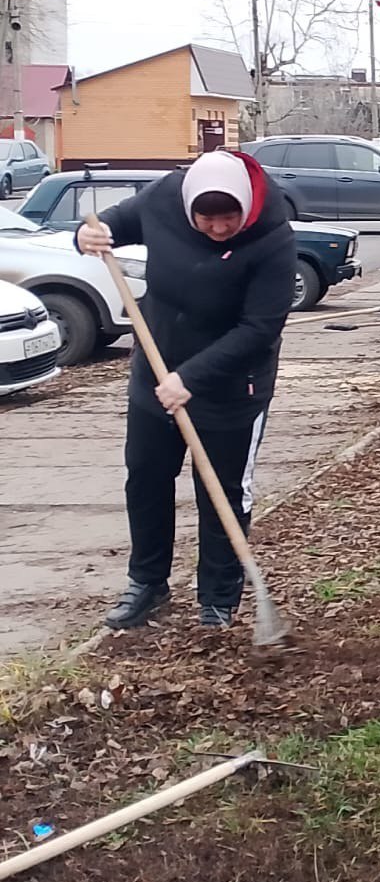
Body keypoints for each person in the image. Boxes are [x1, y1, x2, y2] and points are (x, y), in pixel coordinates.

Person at [77, 150, 296, 631]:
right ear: (188, 207)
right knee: (147, 481)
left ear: (246, 207)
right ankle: (147, 584)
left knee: (220, 492)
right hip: (155, 374)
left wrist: (189, 379)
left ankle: (218, 600)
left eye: (228, 218)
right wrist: (89, 234)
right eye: (207, 218)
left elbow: (260, 328)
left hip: (233, 388)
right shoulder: (165, 199)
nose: (218, 228)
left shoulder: (274, 236)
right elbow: (114, 220)